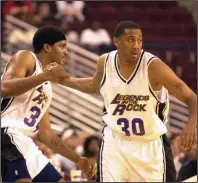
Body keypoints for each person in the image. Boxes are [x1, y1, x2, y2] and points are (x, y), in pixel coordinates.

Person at [58, 21, 197, 182]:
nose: (136, 45)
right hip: (115, 142)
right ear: (116, 42)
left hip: (149, 144)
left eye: (140, 40)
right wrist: (64, 80)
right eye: (131, 40)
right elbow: (95, 86)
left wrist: (191, 124)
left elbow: (191, 97)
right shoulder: (105, 62)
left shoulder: (153, 66)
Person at [1, 25, 94, 182]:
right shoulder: (26, 57)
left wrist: (77, 158)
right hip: (5, 135)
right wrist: (43, 77)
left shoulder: (47, 87)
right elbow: (4, 87)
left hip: (25, 142)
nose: (66, 52)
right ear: (47, 47)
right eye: (62, 46)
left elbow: (46, 135)